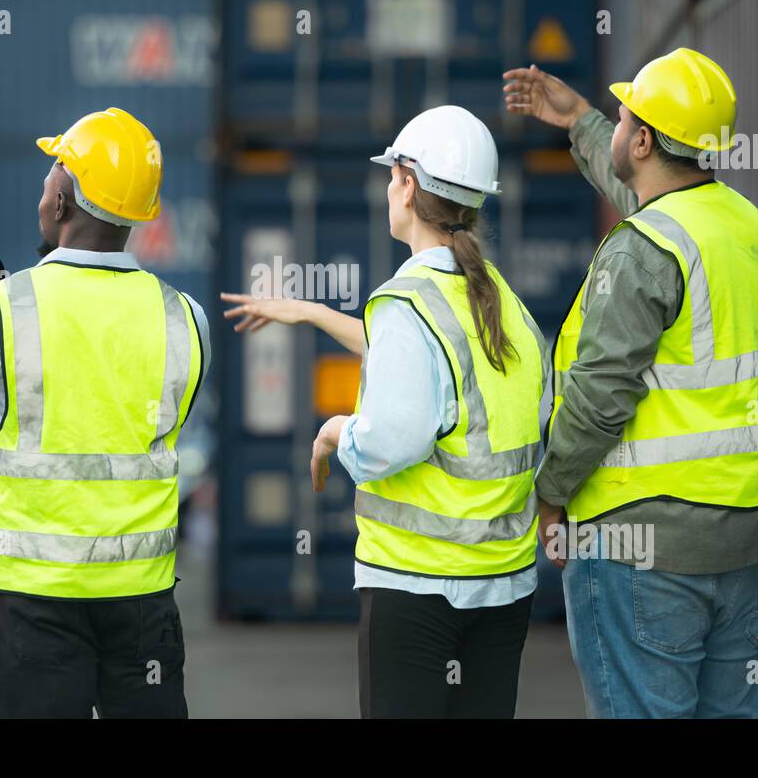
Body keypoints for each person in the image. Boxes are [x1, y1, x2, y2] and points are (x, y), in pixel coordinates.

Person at [222, 105, 548, 718]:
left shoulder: (405, 303)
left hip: (418, 588)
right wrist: (311, 312)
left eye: (391, 175)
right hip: (502, 588)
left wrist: (334, 430)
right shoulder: (501, 303)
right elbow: (440, 374)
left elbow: (388, 439)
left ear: (408, 181)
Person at [503, 49, 758, 718]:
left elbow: (601, 398)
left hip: (647, 545)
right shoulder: (745, 225)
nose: (620, 116)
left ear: (641, 138)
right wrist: (578, 117)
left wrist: (550, 493)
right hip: (756, 524)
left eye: (625, 111)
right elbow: (652, 190)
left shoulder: (643, 249)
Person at [0, 107, 210, 718]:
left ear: (64, 198)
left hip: (33, 609)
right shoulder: (185, 318)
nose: (44, 186)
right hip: (143, 605)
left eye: (52, 171)